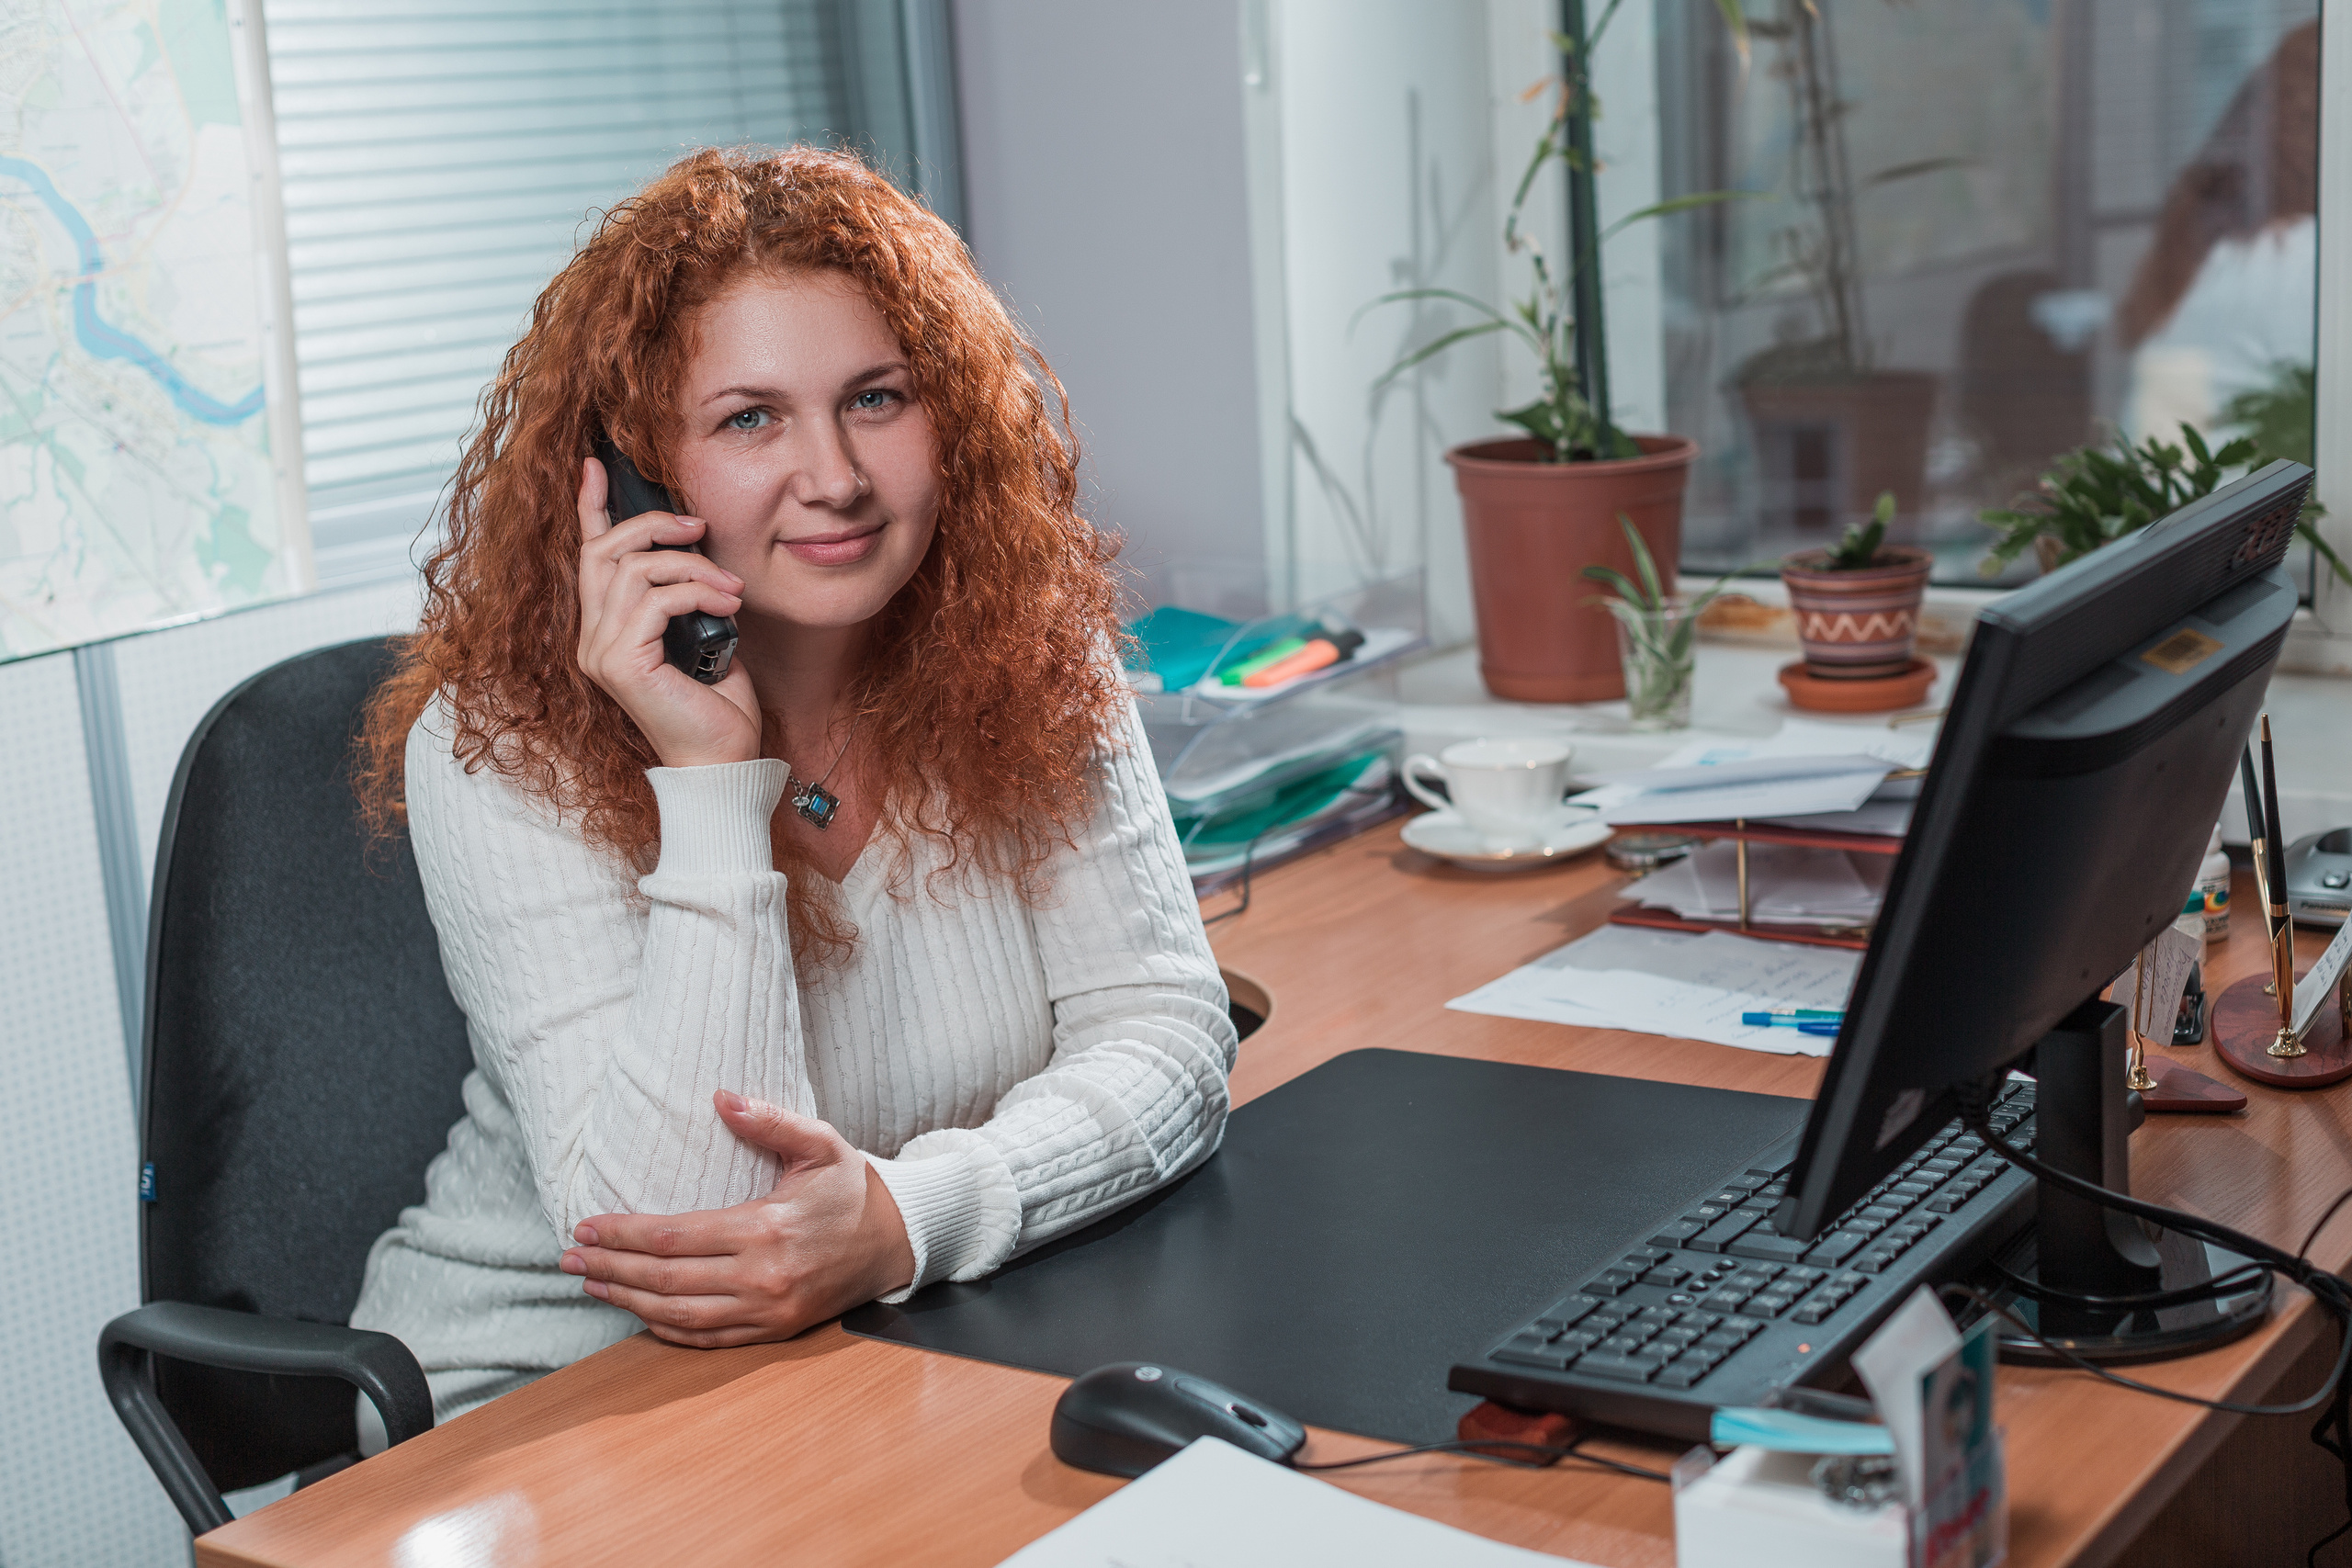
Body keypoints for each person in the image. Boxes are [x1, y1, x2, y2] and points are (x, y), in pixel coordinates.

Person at [347, 145, 1236, 1438]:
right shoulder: (504, 748)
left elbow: (1165, 1030)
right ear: (631, 476)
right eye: (750, 419)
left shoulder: (1030, 656)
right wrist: (708, 781)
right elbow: (688, 1235)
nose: (835, 476)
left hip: (876, 1353)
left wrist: (901, 1219)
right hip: (544, 1410)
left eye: (876, 398)